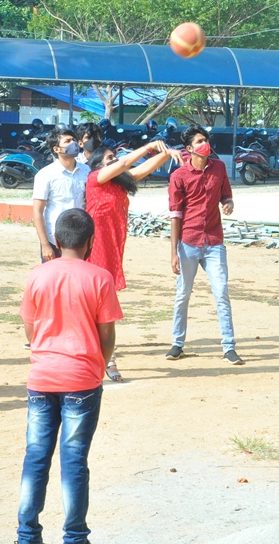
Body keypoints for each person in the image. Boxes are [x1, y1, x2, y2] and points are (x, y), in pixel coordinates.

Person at [17, 208, 122, 544]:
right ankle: (75, 536)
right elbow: (107, 335)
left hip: (42, 377)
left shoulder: (38, 275)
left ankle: (26, 534)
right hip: (83, 379)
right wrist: (97, 366)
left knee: (36, 456)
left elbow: (30, 331)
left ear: (57, 240)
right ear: (91, 241)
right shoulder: (100, 277)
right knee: (74, 461)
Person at [85, 139, 180, 381]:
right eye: (109, 158)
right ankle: (106, 359)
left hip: (112, 250)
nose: (115, 160)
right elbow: (128, 161)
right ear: (98, 165)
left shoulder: (119, 183)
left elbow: (141, 169)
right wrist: (150, 146)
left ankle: (101, 356)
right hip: (95, 250)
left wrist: (168, 153)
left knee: (100, 305)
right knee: (99, 306)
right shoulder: (95, 179)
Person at [167, 125, 243, 365]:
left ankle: (229, 346)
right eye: (199, 141)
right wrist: (174, 253)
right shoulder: (179, 176)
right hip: (188, 242)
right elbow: (175, 215)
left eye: (206, 139)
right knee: (183, 294)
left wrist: (229, 204)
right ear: (189, 149)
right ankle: (177, 343)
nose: (205, 144)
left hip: (213, 241)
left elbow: (226, 195)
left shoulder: (219, 168)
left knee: (221, 293)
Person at [32, 125, 88, 262]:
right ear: (56, 149)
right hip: (55, 238)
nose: (73, 143)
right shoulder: (45, 175)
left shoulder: (87, 171)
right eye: (67, 141)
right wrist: (45, 245)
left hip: (81, 238)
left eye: (74, 140)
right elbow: (37, 211)